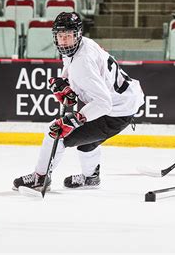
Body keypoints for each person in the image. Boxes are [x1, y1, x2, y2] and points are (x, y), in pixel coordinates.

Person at [13, 12, 145, 191]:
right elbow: (70, 66)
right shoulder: (80, 46)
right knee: (86, 141)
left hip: (116, 110)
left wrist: (76, 118)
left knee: (56, 132)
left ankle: (40, 178)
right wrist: (65, 82)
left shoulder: (83, 62)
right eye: (61, 36)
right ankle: (91, 177)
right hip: (124, 101)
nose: (64, 41)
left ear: (77, 34)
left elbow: (104, 103)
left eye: (68, 36)